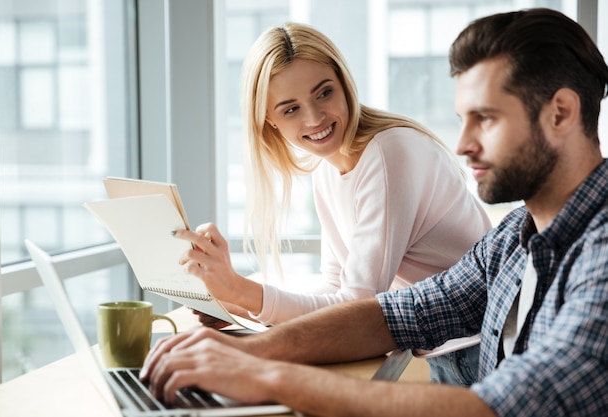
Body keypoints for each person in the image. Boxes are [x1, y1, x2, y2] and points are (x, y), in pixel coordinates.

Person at [141, 8, 608, 416]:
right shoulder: (513, 238)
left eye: (484, 118)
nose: (462, 145)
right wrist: (245, 349)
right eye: (463, 118)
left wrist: (268, 376)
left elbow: (499, 408)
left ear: (561, 113)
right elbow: (397, 313)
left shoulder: (600, 253)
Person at [173, 22, 491, 386]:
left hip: (479, 352)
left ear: (344, 83)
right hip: (442, 351)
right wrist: (245, 307)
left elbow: (358, 309)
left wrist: (243, 291)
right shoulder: (329, 170)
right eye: (290, 109)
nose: (315, 118)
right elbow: (334, 290)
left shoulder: (388, 154)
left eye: (324, 93)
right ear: (269, 121)